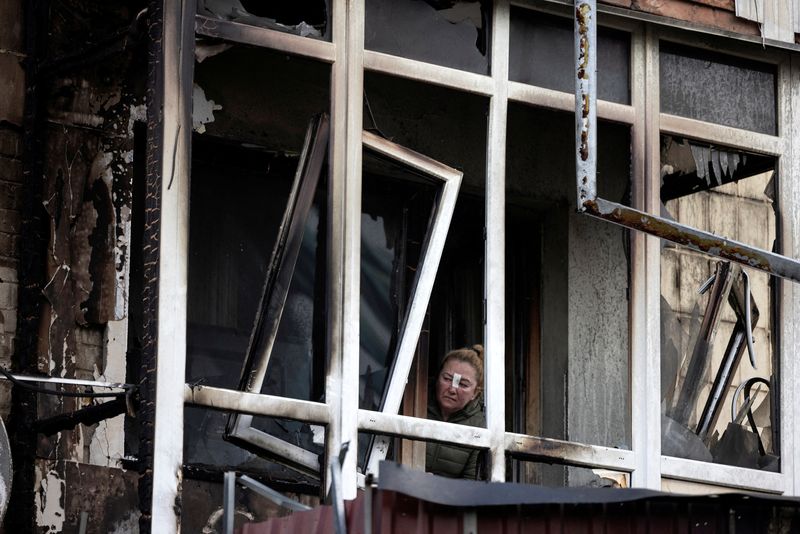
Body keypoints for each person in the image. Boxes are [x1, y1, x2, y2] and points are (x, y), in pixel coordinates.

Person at [425, 345, 486, 479]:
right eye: (447, 379)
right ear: (437, 378)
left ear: (475, 393)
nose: (452, 389)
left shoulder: (479, 428)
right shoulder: (414, 402)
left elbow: (471, 484)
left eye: (463, 384)